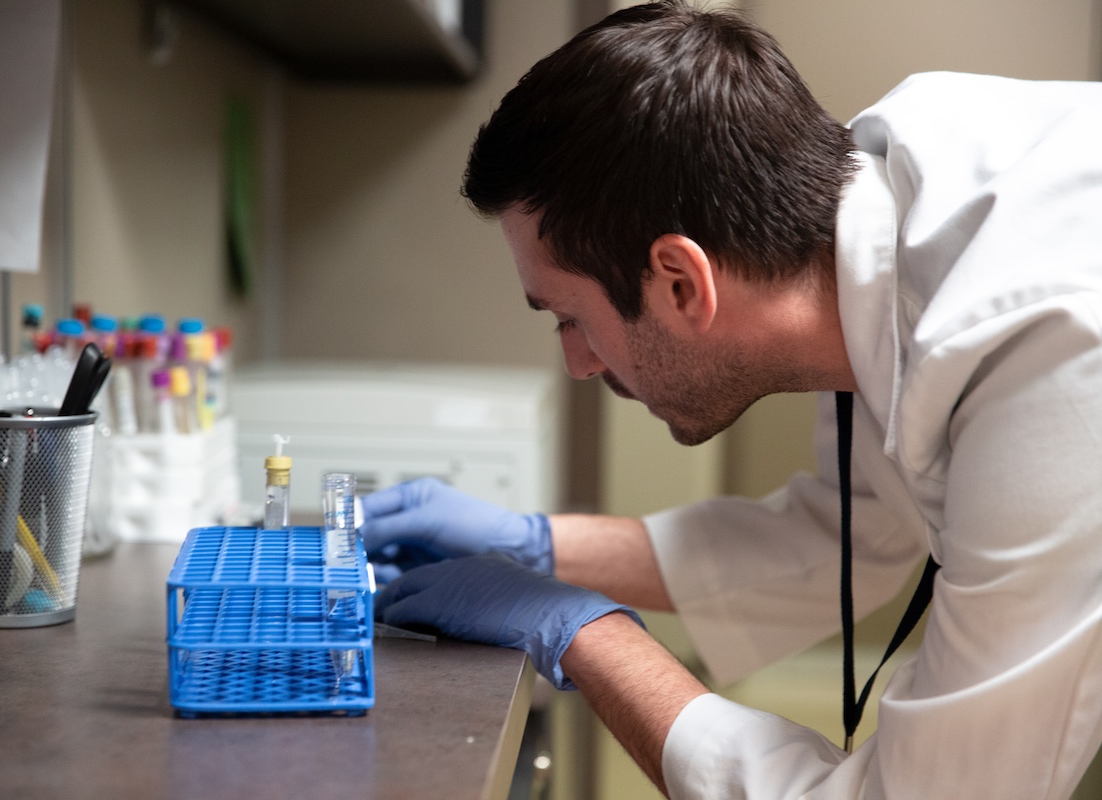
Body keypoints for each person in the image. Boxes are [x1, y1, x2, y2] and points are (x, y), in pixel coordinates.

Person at [361, 2, 1102, 797]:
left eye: (571, 318)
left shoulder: (1052, 351)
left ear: (681, 281)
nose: (576, 362)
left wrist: (587, 637)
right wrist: (533, 544)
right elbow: (845, 536)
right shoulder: (877, 200)